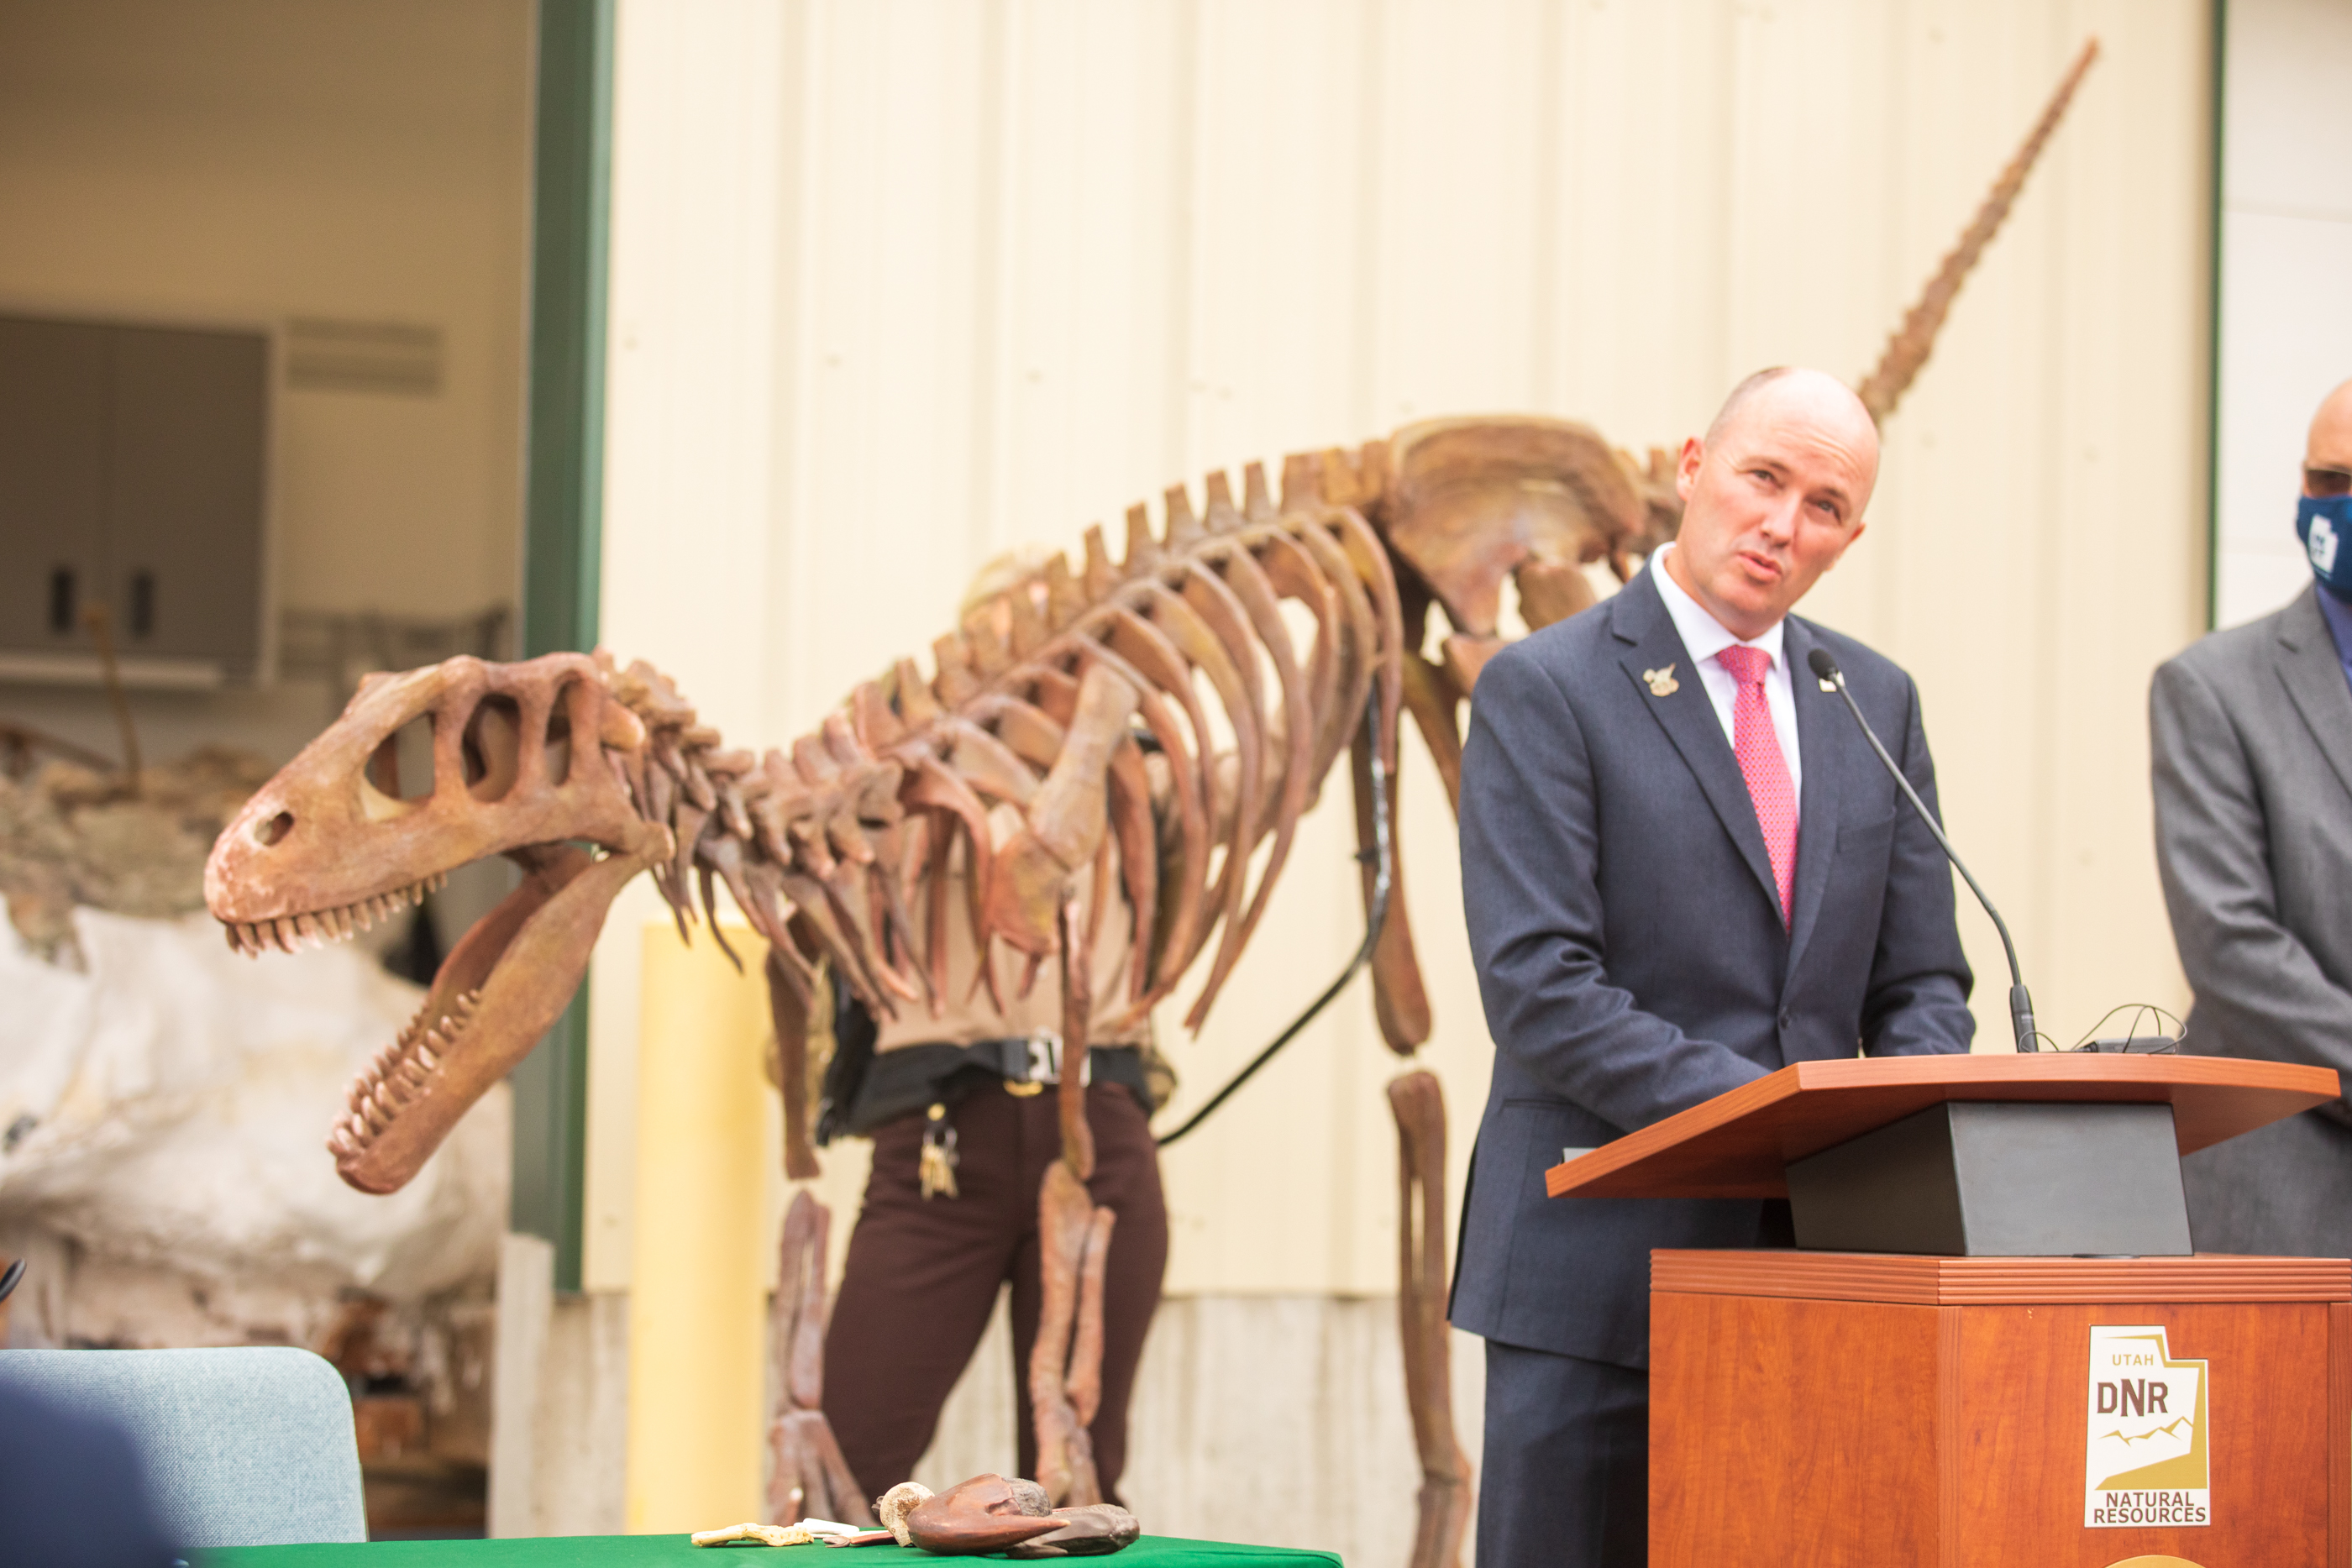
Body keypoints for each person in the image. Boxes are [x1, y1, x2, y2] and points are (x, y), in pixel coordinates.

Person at [1451, 366, 1975, 1568]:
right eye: (1764, 477)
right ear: (1693, 467)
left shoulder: (1871, 699)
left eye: (1828, 505)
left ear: (1851, 535)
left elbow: (1923, 983)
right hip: (1598, 1272)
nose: (1785, 524)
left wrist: (1889, 1122)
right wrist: (1782, 1116)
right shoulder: (1548, 686)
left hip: (1821, 1277)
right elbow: (1540, 983)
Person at [2152, 376, 2352, 1256]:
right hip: (2286, 1192)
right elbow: (2231, 946)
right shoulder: (2212, 687)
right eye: (2326, 479)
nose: (2340, 506)